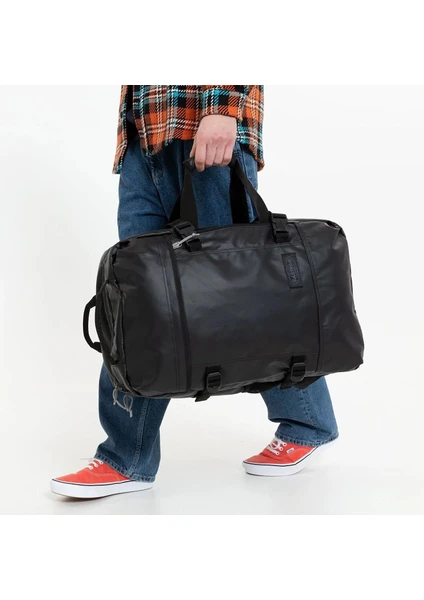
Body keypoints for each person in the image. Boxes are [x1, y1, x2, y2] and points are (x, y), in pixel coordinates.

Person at [50, 85, 339, 499]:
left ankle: (309, 424)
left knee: (248, 295)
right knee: (142, 304)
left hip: (205, 128)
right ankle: (127, 458)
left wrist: (224, 108)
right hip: (143, 138)